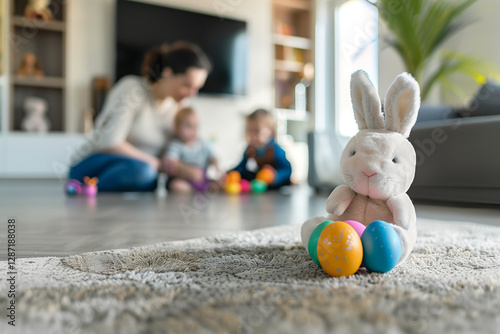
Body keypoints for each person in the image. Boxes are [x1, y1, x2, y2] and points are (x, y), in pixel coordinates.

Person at [68, 42, 211, 191]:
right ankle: (85, 189)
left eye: (196, 88)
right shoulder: (132, 89)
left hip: (143, 170)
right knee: (145, 172)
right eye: (187, 85)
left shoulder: (177, 106)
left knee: (158, 178)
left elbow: (176, 150)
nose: (192, 94)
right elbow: (109, 143)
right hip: (96, 166)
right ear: (168, 74)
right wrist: (156, 163)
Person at [231, 109, 292, 189]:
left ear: (270, 131)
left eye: (256, 131)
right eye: (249, 131)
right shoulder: (250, 149)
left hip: (277, 189)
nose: (252, 135)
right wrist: (229, 174)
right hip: (261, 187)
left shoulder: (275, 150)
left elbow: (287, 170)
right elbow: (241, 168)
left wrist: (275, 176)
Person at [163, 107, 219, 193]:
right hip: (185, 179)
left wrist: (216, 168)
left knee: (217, 184)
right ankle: (195, 191)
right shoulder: (176, 145)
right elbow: (170, 161)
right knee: (176, 185)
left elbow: (212, 157)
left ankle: (205, 189)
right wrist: (187, 171)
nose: (193, 131)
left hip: (203, 178)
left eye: (195, 126)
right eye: (188, 126)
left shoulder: (202, 143)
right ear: (176, 127)